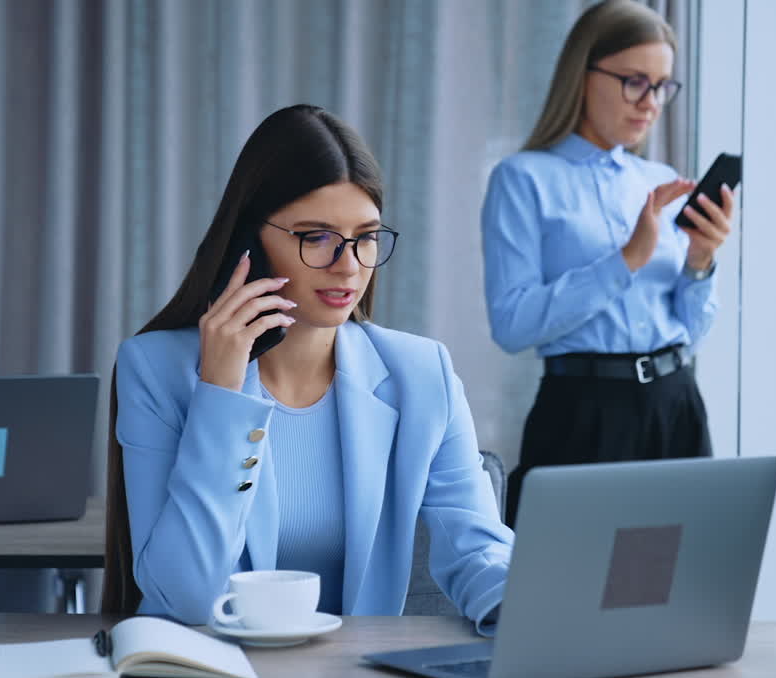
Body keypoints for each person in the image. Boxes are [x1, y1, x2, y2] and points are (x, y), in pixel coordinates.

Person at [101, 105, 512, 636]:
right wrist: (220, 393)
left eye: (365, 237)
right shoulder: (156, 370)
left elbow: (476, 550)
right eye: (315, 237)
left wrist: (530, 606)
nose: (349, 264)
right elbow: (184, 596)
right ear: (251, 241)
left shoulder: (421, 373)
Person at [481, 0, 734, 528]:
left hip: (676, 404)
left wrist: (700, 264)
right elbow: (512, 324)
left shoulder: (657, 179)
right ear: (583, 74)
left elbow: (693, 332)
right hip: (584, 412)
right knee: (567, 592)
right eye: (634, 81)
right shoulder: (523, 179)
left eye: (662, 86)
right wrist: (626, 260)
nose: (651, 103)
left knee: (680, 592)